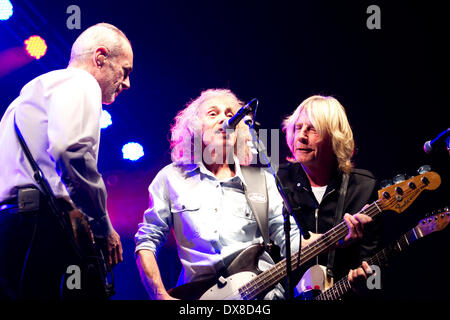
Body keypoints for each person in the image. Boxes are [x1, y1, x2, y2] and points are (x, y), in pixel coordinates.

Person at [0, 23, 133, 299]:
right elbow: (71, 150)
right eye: (125, 71)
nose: (127, 83)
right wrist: (101, 225)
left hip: (11, 225)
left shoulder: (29, 96)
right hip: (37, 226)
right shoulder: (82, 82)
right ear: (100, 58)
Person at [135, 89, 305, 300]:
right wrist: (160, 295)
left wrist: (333, 238)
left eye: (229, 113)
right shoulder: (171, 178)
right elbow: (147, 241)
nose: (225, 119)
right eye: (213, 113)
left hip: (260, 296)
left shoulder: (261, 180)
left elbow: (291, 239)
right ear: (195, 128)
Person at [278, 95, 382, 298]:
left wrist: (367, 283)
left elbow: (377, 267)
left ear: (335, 137)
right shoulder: (278, 181)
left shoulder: (364, 186)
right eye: (298, 128)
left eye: (312, 129)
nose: (301, 136)